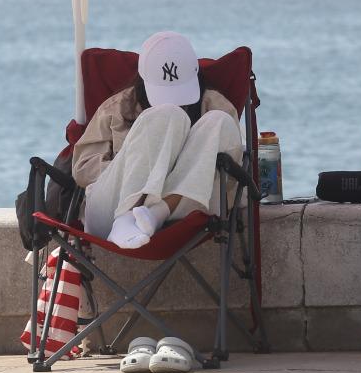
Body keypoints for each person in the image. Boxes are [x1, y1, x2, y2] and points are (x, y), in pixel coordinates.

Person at [72, 31, 243, 250]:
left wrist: (181, 170)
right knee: (168, 116)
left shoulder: (216, 106)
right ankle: (126, 217)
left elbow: (229, 178)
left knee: (220, 121)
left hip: (185, 209)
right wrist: (141, 163)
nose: (177, 101)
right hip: (111, 209)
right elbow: (82, 169)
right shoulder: (116, 109)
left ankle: (157, 212)